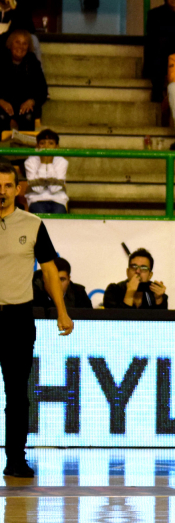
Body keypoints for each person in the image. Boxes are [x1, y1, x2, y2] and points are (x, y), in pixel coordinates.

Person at [0, 161, 73, 479]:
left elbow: (49, 270)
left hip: (17, 317)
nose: (0, 191)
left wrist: (62, 310)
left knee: (17, 394)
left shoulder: (33, 223)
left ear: (18, 189)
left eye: (6, 185)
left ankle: (16, 459)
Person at [0, 30, 47, 133]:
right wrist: (1, 101)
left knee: (28, 117)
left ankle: (24, 147)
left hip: (24, 107)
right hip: (2, 105)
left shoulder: (32, 62)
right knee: (1, 118)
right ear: (10, 44)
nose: (20, 46)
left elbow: (42, 90)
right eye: (17, 42)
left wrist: (32, 101)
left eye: (24, 43)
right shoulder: (1, 59)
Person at [103, 248, 168, 309]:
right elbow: (116, 319)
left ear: (150, 275)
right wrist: (129, 294)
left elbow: (160, 319)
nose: (137, 271)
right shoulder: (113, 291)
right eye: (134, 267)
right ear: (127, 272)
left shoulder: (155, 293)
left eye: (144, 268)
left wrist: (159, 299)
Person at [23, 129, 67, 214]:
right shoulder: (30, 161)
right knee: (39, 215)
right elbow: (38, 189)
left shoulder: (62, 161)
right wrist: (43, 164)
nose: (46, 146)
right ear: (37, 146)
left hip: (58, 200)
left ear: (57, 146)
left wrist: (49, 164)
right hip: (36, 199)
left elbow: (54, 189)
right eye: (42, 143)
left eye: (51, 143)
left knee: (59, 214)